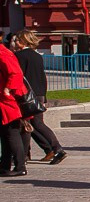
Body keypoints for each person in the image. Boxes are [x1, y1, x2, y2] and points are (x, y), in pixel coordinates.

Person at [12, 30, 67, 165]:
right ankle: (50, 149)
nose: (15, 43)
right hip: (39, 94)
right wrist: (44, 96)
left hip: (27, 95)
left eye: (17, 40)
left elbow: (19, 76)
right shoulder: (37, 56)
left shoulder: (19, 56)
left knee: (27, 125)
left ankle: (54, 149)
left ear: (23, 41)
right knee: (35, 124)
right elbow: (42, 77)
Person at [0, 41, 26, 177]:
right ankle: (5, 165)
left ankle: (20, 166)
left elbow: (15, 73)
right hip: (4, 100)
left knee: (11, 133)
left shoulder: (3, 54)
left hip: (7, 101)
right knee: (5, 134)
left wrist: (7, 89)